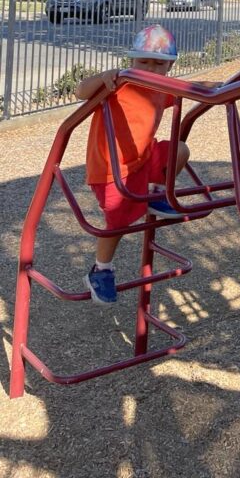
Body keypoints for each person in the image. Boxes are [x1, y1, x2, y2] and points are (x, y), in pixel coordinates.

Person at [78, 24, 189, 305]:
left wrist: (213, 88)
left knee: (180, 150)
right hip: (112, 168)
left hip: (143, 157)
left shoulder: (161, 88)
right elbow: (80, 91)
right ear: (130, 61)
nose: (150, 69)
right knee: (117, 220)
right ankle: (100, 269)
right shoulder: (119, 84)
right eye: (143, 62)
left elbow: (190, 90)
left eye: (158, 64)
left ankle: (156, 193)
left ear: (170, 66)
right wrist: (103, 78)